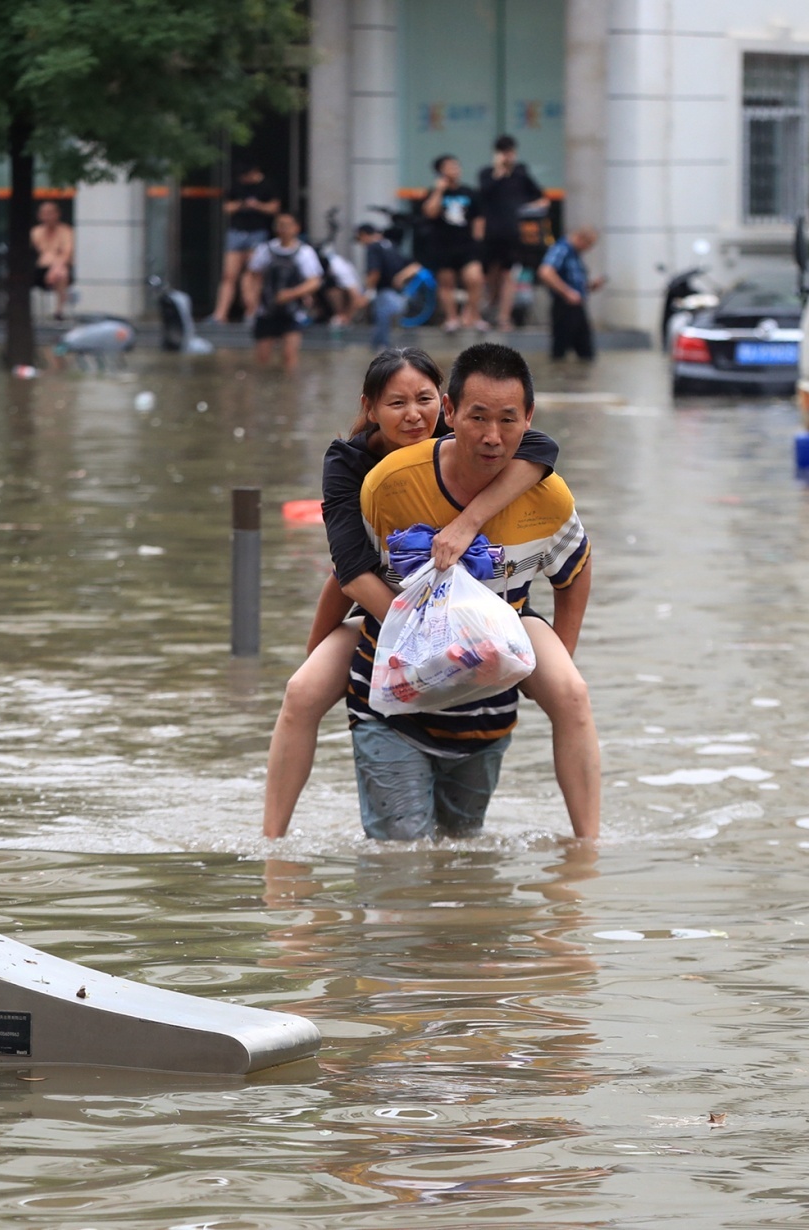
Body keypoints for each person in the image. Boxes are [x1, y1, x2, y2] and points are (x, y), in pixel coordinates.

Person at [261, 346, 600, 841]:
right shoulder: (360, 471)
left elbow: (540, 451)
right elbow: (348, 573)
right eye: (396, 404)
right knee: (302, 691)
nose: (412, 416)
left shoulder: (486, 443)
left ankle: (587, 847)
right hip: (390, 609)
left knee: (571, 692)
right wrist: (422, 632)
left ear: (441, 406)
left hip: (494, 613)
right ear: (370, 409)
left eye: (422, 399)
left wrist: (468, 522)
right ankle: (273, 842)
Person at [477, 135, 548, 331]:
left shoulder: (521, 174)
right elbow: (483, 194)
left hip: (513, 233)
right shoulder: (487, 174)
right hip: (492, 233)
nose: (509, 157)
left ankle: (503, 316)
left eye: (511, 153)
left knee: (509, 275)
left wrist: (524, 208)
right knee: (490, 274)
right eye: (504, 153)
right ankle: (487, 309)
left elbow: (541, 198)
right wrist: (499, 172)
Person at [246, 212, 323, 371]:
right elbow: (252, 275)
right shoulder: (264, 250)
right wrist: (249, 297)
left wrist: (292, 293)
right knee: (262, 359)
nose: (283, 229)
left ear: (296, 228)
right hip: (266, 309)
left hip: (292, 311)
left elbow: (314, 281)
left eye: (287, 225)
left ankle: (289, 392)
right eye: (280, 225)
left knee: (290, 357)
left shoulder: (305, 252)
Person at [420, 155, 485, 333]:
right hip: (442, 245)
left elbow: (478, 219)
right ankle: (452, 318)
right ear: (440, 170)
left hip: (466, 244)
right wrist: (439, 190)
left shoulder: (469, 192)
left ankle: (473, 315)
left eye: (456, 166)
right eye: (449, 166)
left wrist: (478, 242)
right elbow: (430, 213)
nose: (454, 169)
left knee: (475, 279)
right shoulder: (434, 192)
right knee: (446, 283)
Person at [211, 164, 280, 324]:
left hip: (257, 232)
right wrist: (242, 204)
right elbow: (227, 207)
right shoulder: (237, 186)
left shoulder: (267, 186)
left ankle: (252, 310)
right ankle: (220, 314)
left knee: (252, 274)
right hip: (237, 232)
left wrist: (257, 206)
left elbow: (274, 208)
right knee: (229, 275)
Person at [538, 225, 605, 361]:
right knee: (560, 350)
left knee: (586, 352)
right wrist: (567, 292)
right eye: (589, 244)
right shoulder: (561, 249)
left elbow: (574, 282)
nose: (589, 249)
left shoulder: (574, 254)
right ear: (580, 238)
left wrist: (590, 286)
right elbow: (545, 272)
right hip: (564, 306)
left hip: (577, 306)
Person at [356, 222, 421, 349]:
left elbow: (374, 272)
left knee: (382, 325)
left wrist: (368, 293)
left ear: (363, 235)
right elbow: (415, 266)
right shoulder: (389, 244)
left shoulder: (373, 247)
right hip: (398, 293)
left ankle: (381, 352)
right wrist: (401, 277)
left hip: (385, 292)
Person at [30, 201, 75, 320]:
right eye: (44, 213)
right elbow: (38, 253)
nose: (47, 216)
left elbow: (67, 253)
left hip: (59, 269)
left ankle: (58, 311)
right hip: (39, 270)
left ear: (57, 214)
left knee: (62, 273)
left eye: (50, 213)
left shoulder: (66, 231)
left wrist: (55, 270)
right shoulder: (35, 232)